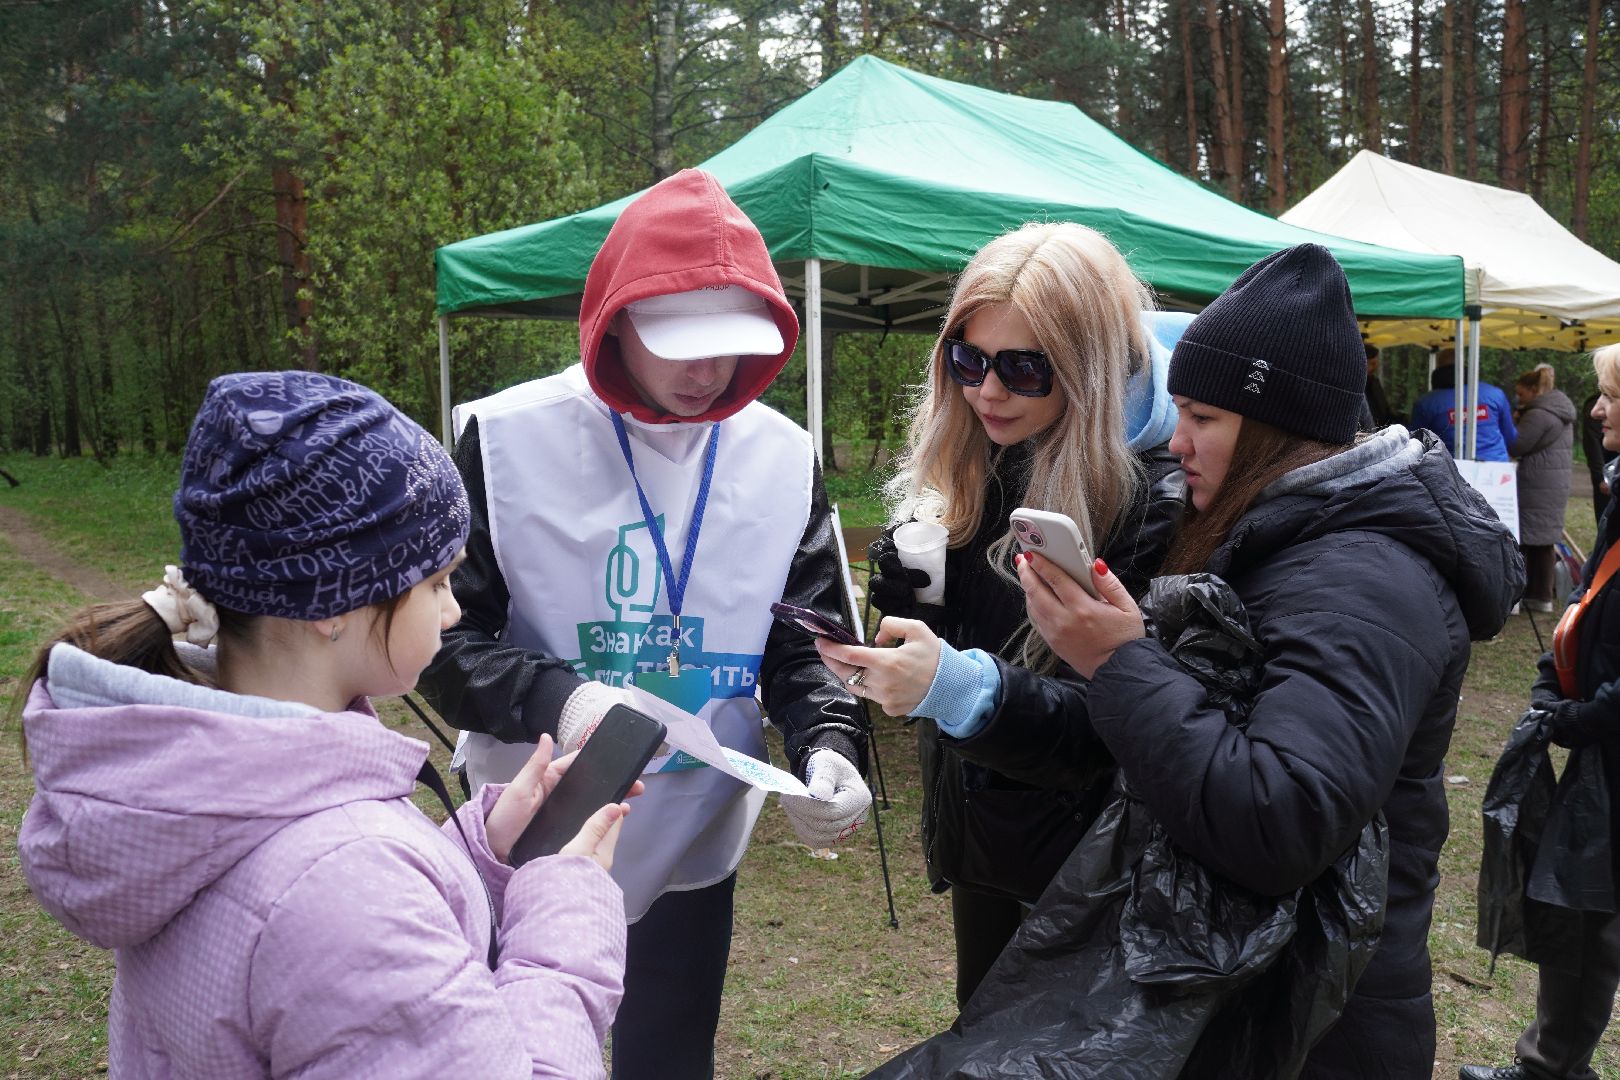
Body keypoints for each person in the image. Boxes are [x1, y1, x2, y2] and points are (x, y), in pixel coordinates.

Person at [15, 371, 632, 1078]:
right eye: (436, 583)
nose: (455, 612)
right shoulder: (342, 886)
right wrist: (569, 906)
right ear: (332, 603)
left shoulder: (204, 781)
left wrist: (480, 851)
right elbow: (343, 913)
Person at [1013, 244, 1522, 1077]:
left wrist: (1123, 664)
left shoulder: (1365, 579)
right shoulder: (1280, 538)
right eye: (1178, 412)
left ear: (1279, 430)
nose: (1176, 443)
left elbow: (1281, 819)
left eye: (1204, 419)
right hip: (1261, 995)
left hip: (1323, 1024)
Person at [418, 168, 871, 1080]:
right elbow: (440, 644)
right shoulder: (507, 440)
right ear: (615, 319)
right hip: (535, 818)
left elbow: (805, 640)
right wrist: (566, 697)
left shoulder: (782, 456)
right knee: (513, 1051)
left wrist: (830, 740)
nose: (707, 373)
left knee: (669, 1054)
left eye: (729, 346)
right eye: (681, 343)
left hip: (695, 827)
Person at [814, 221, 1185, 1008]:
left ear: (1089, 368)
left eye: (1022, 368)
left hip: (1092, 864)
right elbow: (977, 648)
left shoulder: (1153, 500)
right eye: (968, 359)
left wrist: (953, 686)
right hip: (984, 831)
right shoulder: (977, 458)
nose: (986, 391)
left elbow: (1125, 726)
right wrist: (913, 608)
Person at [1460, 345, 1620, 1080]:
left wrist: (1576, 716)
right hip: (1599, 749)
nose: (1597, 408)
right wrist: (1553, 683)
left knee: (1595, 922)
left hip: (1606, 743)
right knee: (1579, 918)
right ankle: (1549, 1067)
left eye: (1612, 395)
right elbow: (1592, 614)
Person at [1511, 366, 1577, 612]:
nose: (1518, 399)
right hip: (1553, 484)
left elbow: (1518, 443)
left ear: (1533, 390)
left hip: (1535, 484)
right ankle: (1542, 597)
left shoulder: (1539, 415)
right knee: (1545, 540)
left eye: (1521, 394)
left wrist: (1515, 421)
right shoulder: (1559, 411)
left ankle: (1522, 593)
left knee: (1525, 540)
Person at [1411, 347, 1518, 460]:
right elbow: (1510, 436)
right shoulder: (1496, 394)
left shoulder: (1425, 403)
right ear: (1464, 364)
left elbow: (1417, 444)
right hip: (1495, 468)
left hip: (1451, 469)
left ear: (1437, 369)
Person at [1579, 389, 1614, 528]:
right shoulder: (1594, 407)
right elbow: (1592, 444)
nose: (1596, 411)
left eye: (1610, 397)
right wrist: (1601, 476)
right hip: (1607, 477)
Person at [1364, 342, 1397, 427]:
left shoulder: (1375, 382)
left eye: (1376, 363)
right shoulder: (1357, 385)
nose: (1375, 367)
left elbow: (1384, 409)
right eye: (1372, 364)